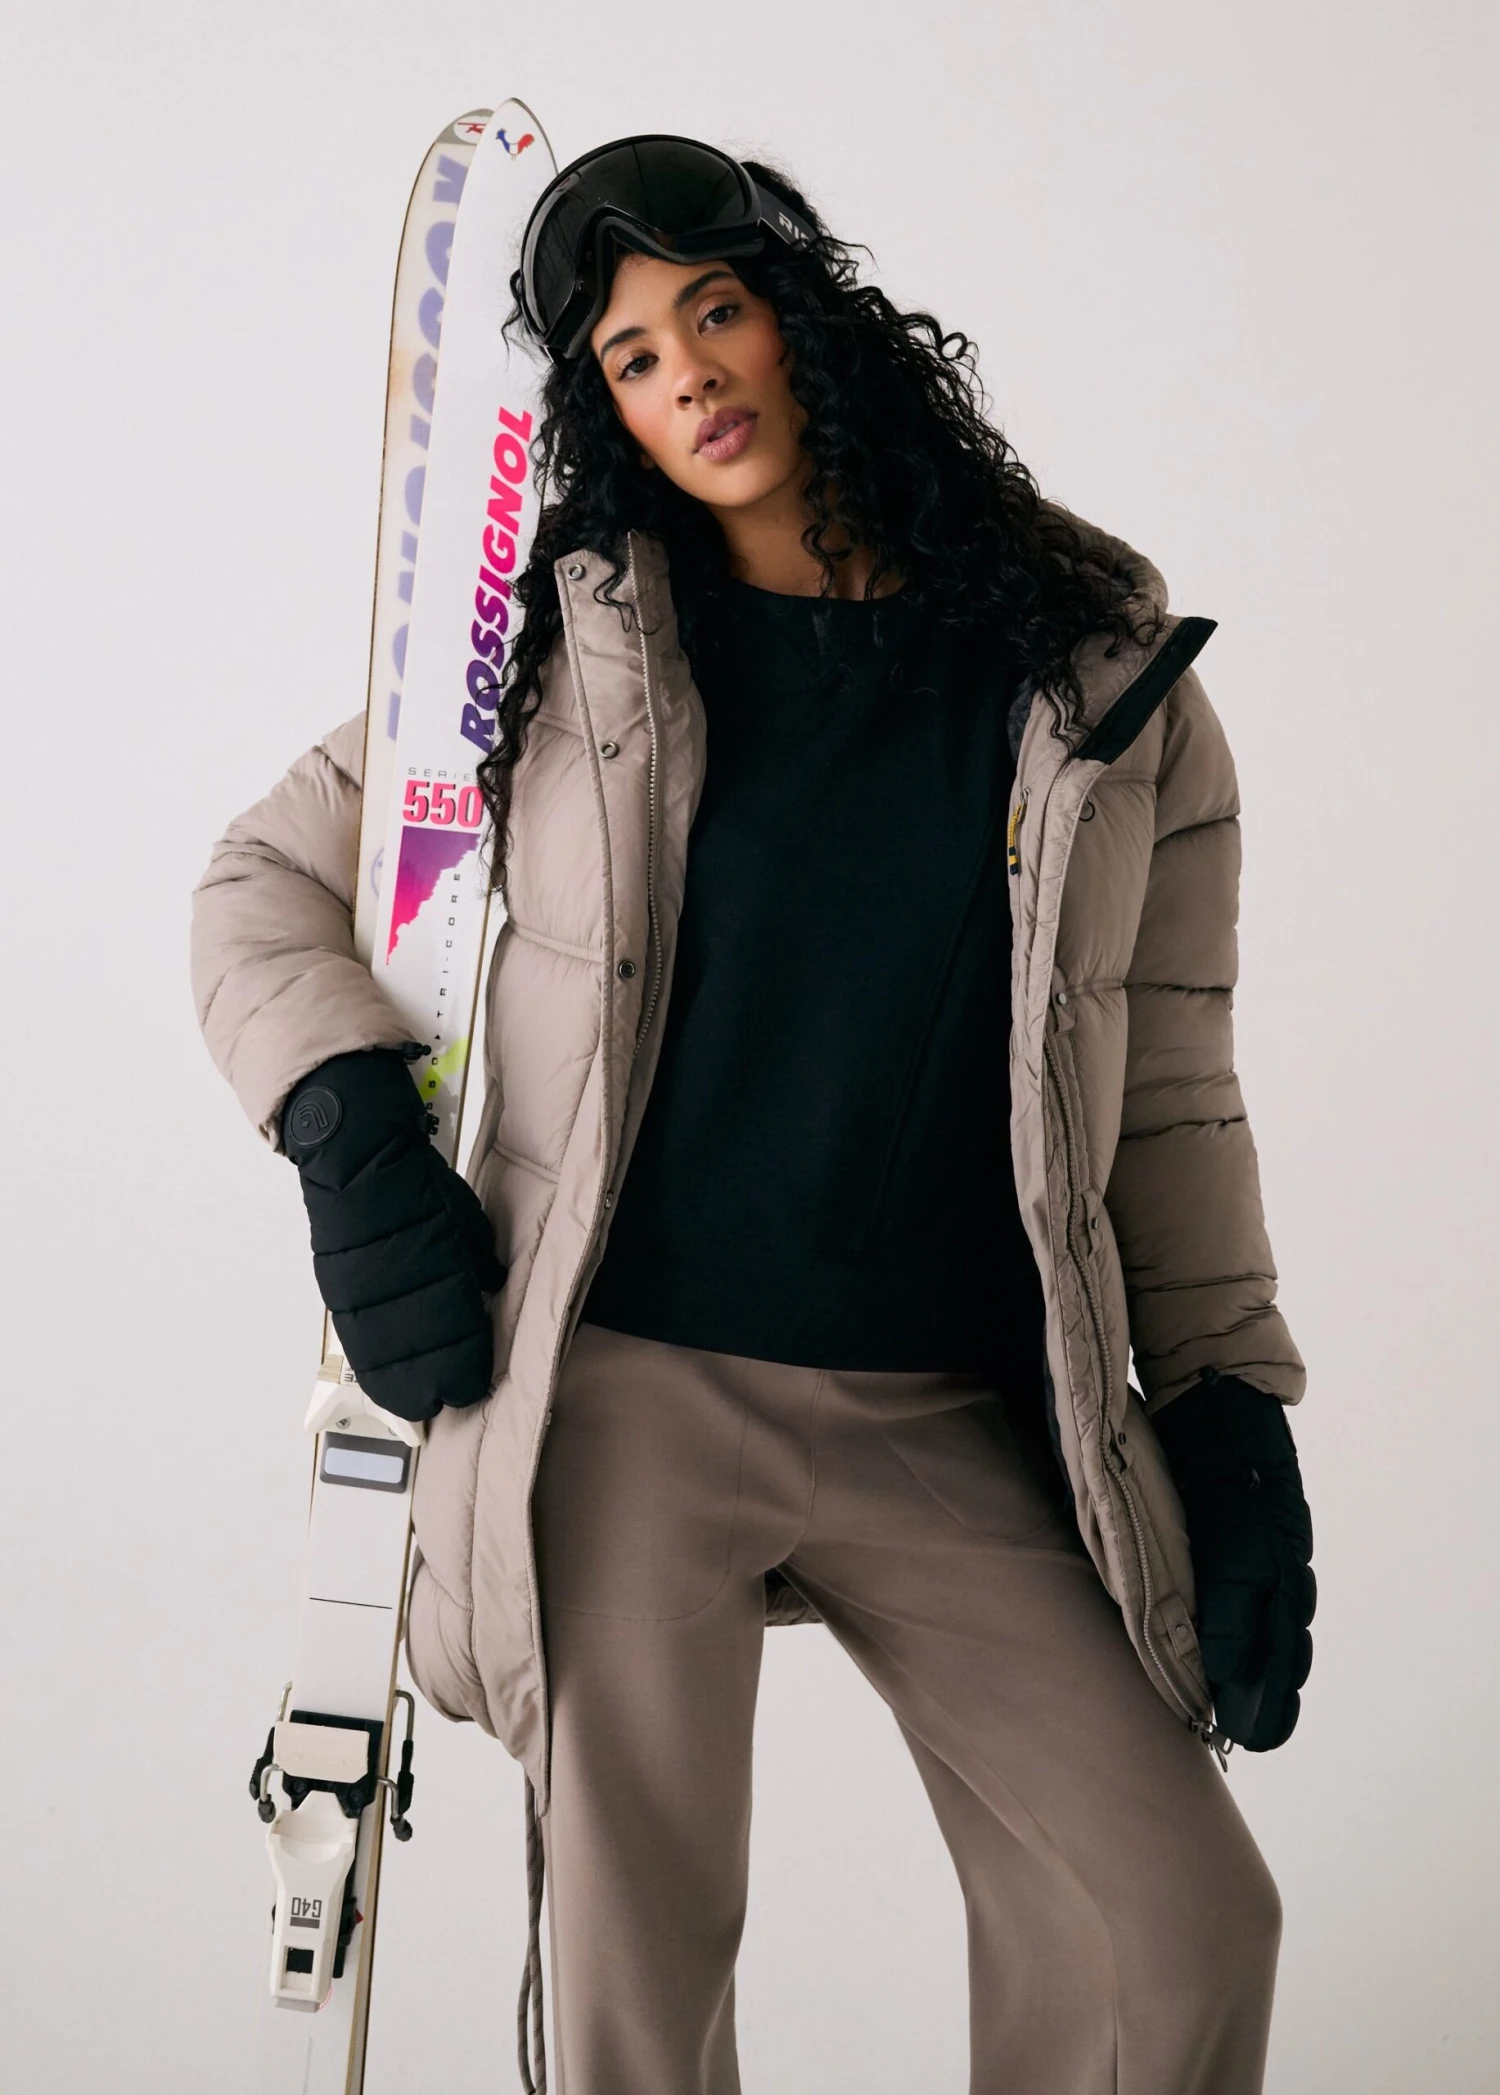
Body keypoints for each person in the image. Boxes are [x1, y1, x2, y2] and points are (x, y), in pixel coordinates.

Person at [191, 134, 1315, 2095]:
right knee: (641, 1999)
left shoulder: (1097, 685)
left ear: (813, 322)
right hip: (630, 1393)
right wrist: (352, 1137)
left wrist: (1225, 1409)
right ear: (607, 413)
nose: (689, 374)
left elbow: (1171, 1092)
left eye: (715, 311)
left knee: (1179, 1924)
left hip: (954, 1406)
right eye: (631, 358)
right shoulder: (565, 658)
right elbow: (261, 881)